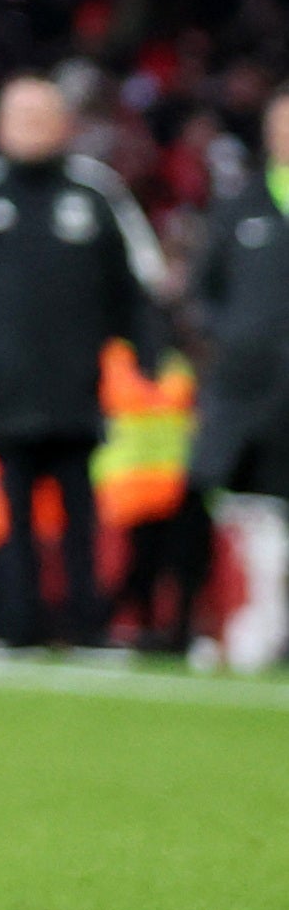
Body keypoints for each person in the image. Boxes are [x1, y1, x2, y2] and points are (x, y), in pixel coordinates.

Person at [0, 74, 168, 653]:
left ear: (65, 125)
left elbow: (141, 285)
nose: (30, 128)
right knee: (10, 517)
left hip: (81, 389)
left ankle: (88, 626)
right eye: (19, 116)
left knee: (83, 516)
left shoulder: (97, 193)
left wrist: (146, 362)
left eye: (41, 116)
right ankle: (15, 626)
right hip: (1, 390)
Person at [192, 104, 289, 672]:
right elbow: (206, 292)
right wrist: (237, 341)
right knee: (259, 514)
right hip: (253, 393)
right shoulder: (239, 208)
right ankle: (262, 622)